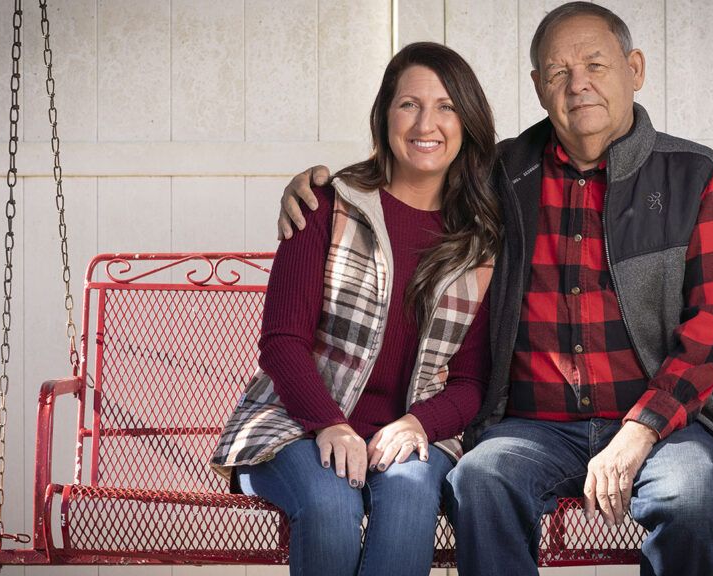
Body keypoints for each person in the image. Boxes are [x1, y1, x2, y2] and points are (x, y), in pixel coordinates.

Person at [275, 4, 713, 576]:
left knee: (691, 497)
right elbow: (412, 176)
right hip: (533, 426)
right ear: (537, 86)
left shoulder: (695, 175)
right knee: (480, 479)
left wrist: (640, 429)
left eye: (596, 65)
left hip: (661, 426)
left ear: (635, 68)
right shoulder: (500, 174)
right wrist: (318, 186)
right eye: (557, 72)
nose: (578, 86)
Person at [211, 42, 500, 576]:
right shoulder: (328, 205)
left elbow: (469, 382)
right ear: (384, 114)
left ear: (467, 122)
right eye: (409, 104)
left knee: (412, 496)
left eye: (446, 106)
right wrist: (330, 424)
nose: (426, 123)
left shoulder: (480, 241)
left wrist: (418, 422)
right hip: (295, 425)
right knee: (329, 503)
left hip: (411, 433)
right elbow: (282, 342)